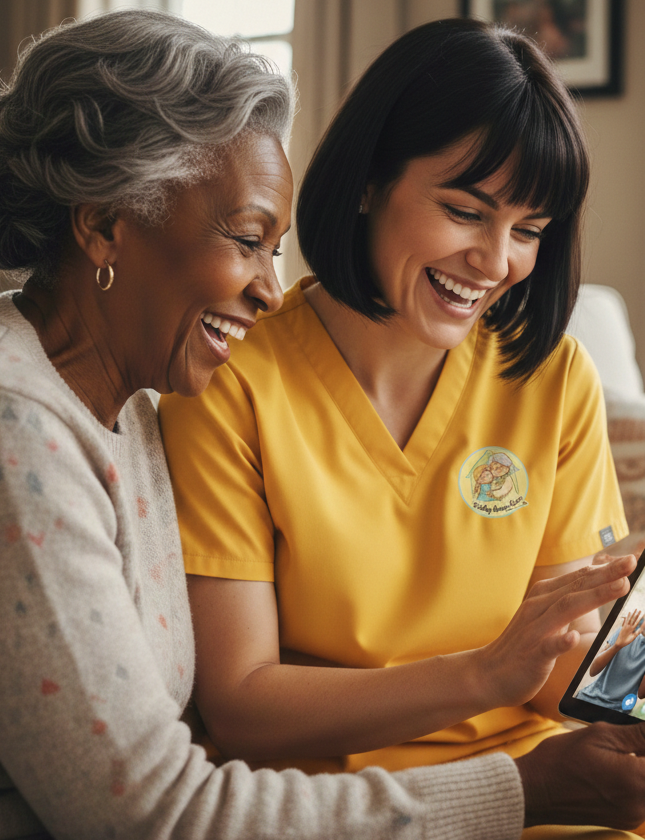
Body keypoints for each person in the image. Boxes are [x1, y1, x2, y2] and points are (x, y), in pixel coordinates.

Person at [0, 11, 644, 840]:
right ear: (101, 225)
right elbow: (159, 807)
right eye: (247, 240)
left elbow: (565, 659)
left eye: (273, 249)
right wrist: (517, 776)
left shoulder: (128, 397)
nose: (273, 292)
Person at [158, 17, 642, 837]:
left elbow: (567, 671)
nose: (497, 261)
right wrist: (484, 674)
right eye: (465, 211)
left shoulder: (552, 376)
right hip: (340, 804)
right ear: (368, 181)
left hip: (549, 787)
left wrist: (625, 680)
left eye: (528, 230)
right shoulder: (229, 379)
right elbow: (241, 705)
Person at [578, 610, 645, 712]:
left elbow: (641, 694)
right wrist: (617, 646)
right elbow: (593, 671)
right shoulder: (624, 632)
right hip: (587, 698)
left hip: (617, 712)